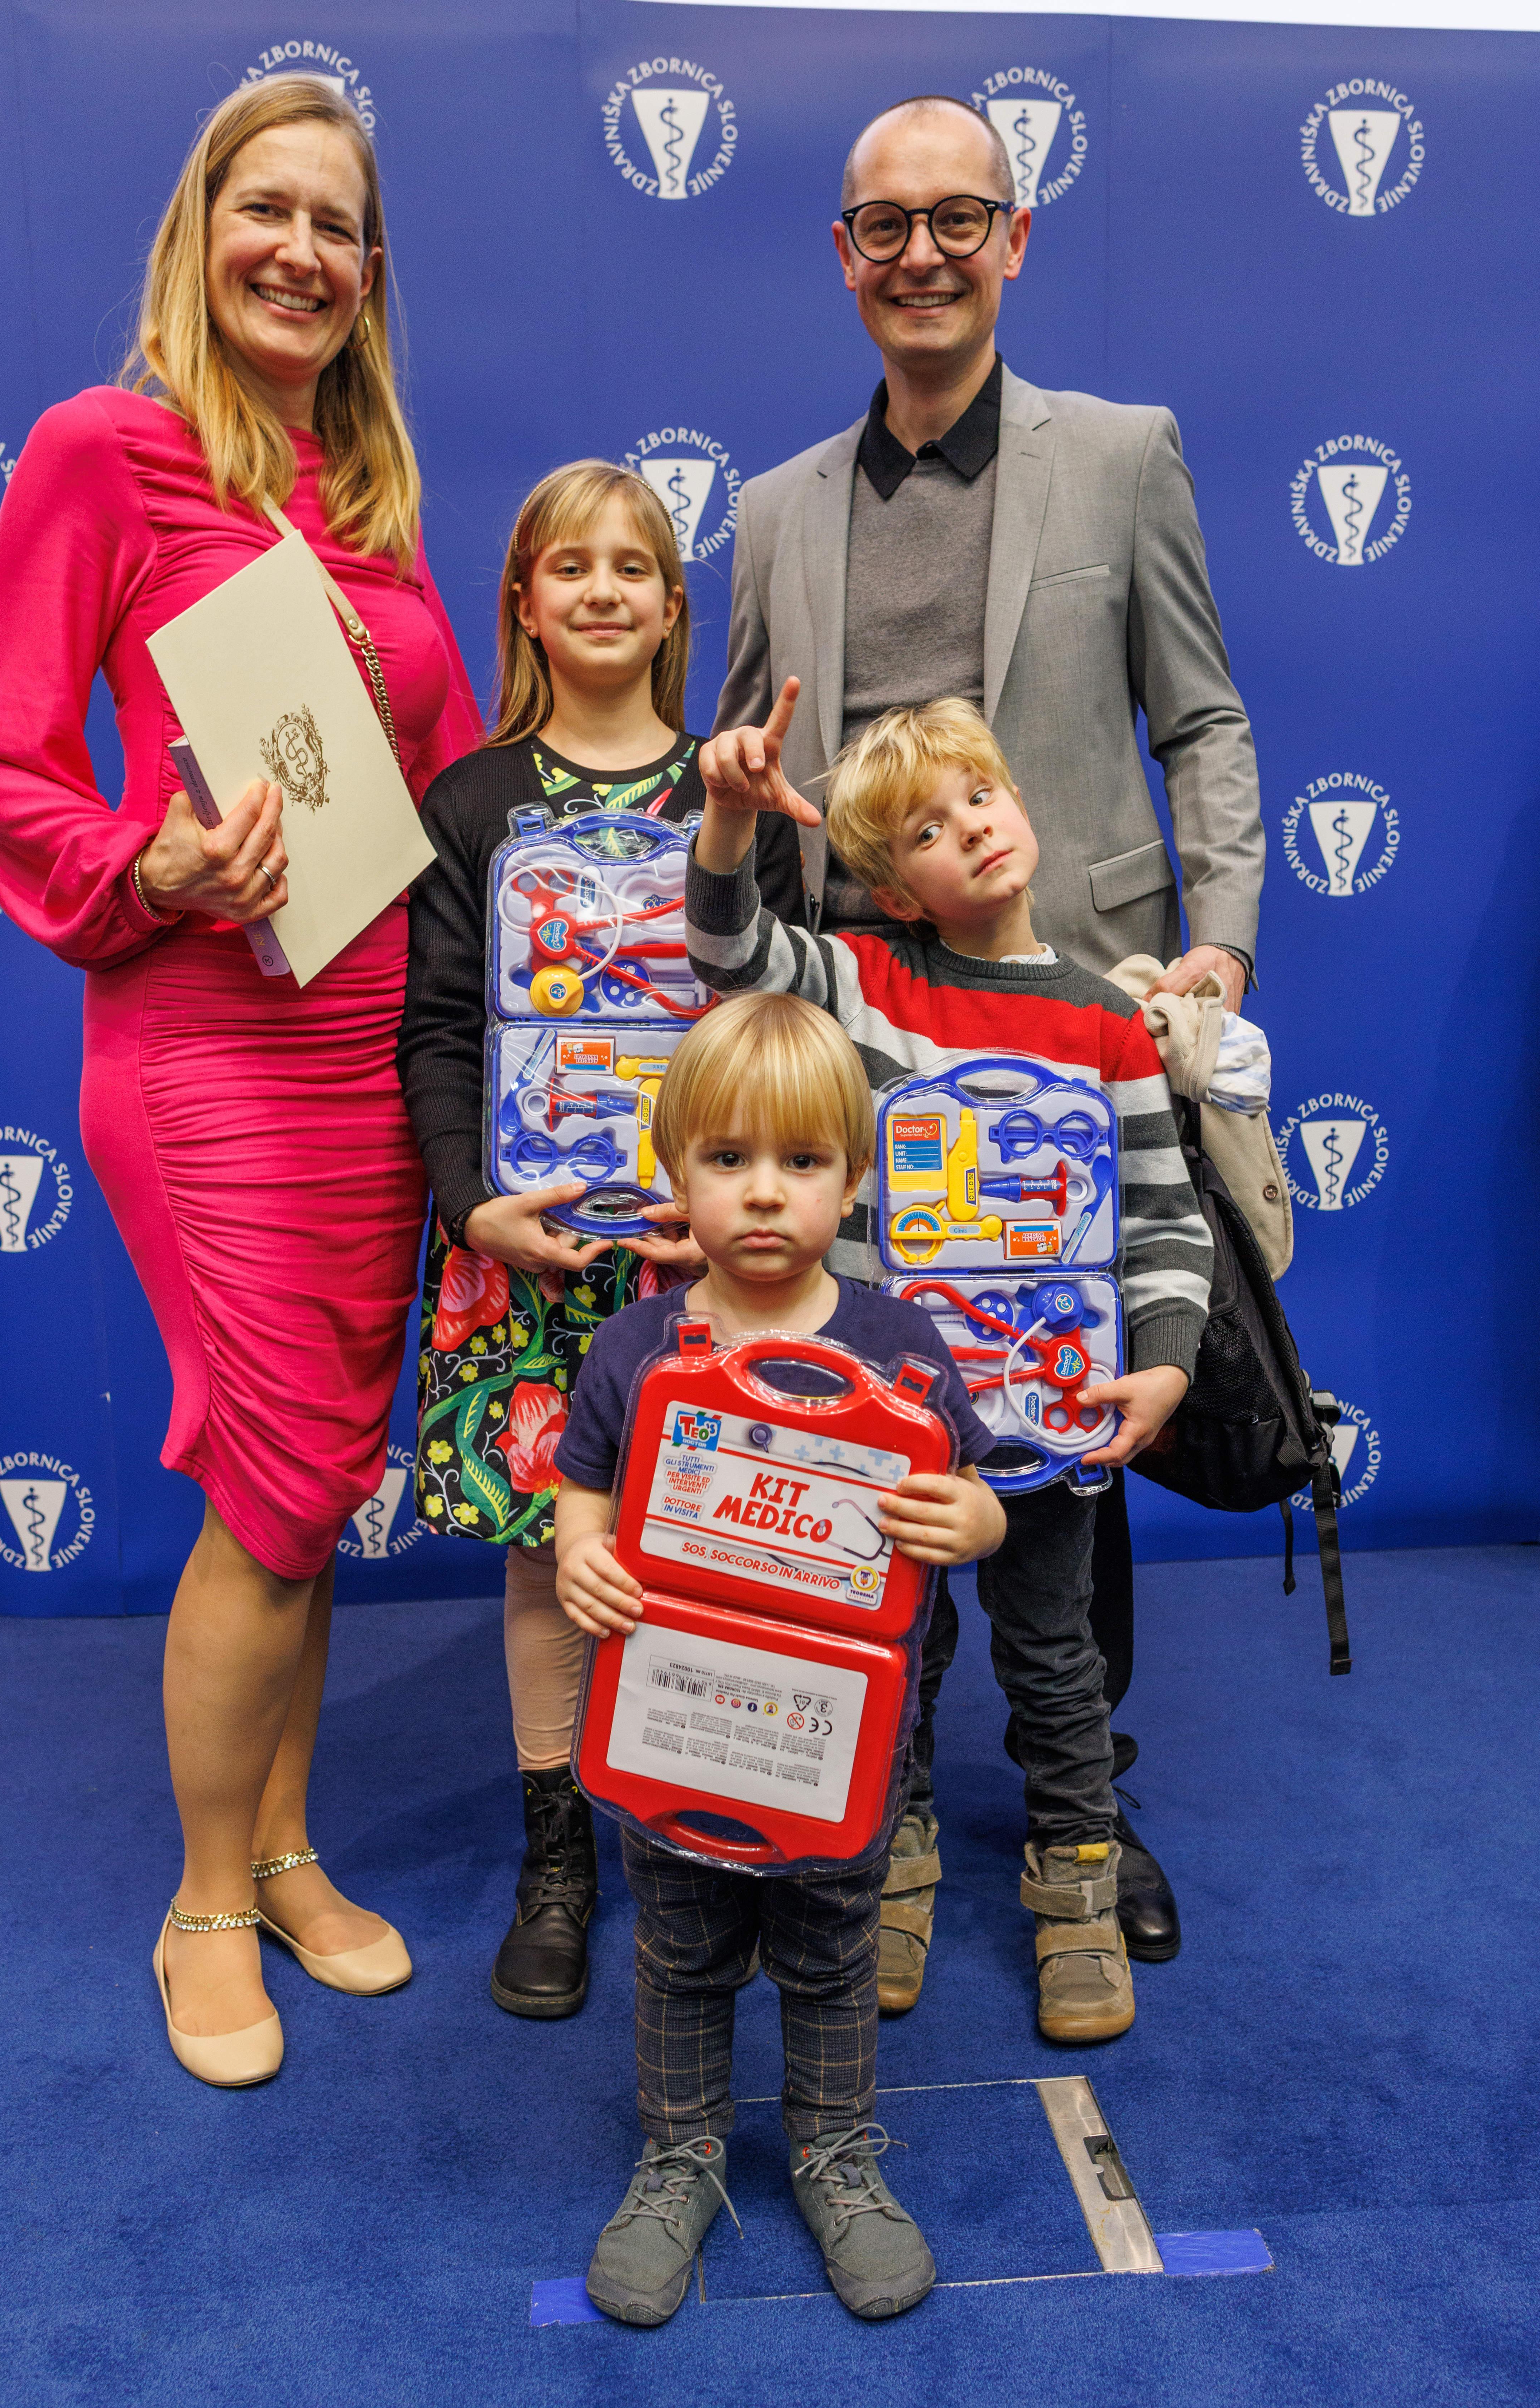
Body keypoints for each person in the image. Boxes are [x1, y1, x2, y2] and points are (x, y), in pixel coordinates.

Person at [0, 79, 481, 2086]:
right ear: (201, 229)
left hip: (371, 1050)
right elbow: (2, 760)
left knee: (317, 1476)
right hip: (206, 1052)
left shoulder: (368, 499)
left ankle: (284, 1849)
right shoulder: (105, 450)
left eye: (339, 226)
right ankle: (199, 1904)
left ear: (371, 272)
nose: (301, 254)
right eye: (270, 210)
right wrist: (148, 863)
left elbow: (432, 786)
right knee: (268, 1478)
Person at [706, 91, 1266, 1996]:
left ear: (1014, 239)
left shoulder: (1120, 454)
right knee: (867, 1425)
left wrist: (1217, 946)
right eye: (886, 225)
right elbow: (744, 778)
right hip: (851, 1046)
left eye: (960, 218)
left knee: (1060, 1423)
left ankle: (1074, 1809)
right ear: (843, 257)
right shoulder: (772, 509)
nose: (923, 254)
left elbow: (1204, 720)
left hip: (1068, 1007)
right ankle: (875, 1808)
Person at [685, 691, 1216, 2049]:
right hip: (890, 1425)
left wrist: (1161, 1366)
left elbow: (1164, 1221)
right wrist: (731, 819)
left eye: (978, 797)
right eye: (925, 829)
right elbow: (728, 951)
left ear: (1019, 802)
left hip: (1050, 1414)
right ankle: (893, 1854)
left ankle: (1077, 1881)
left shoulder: (1107, 1021)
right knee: (895, 1648)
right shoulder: (870, 982)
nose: (969, 829)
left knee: (1055, 1655)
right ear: (889, 887)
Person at [397, 462, 794, 2020]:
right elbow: (438, 1029)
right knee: (548, 1554)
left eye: (634, 566)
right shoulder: (471, 801)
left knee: (723, 1537)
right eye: (571, 567)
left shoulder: (729, 789)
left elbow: (778, 1023)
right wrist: (468, 1205)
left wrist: (741, 1207)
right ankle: (557, 1852)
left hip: (713, 1253)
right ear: (523, 603)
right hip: (531, 1250)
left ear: (676, 605)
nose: (604, 590)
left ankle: (715, 1839)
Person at [553, 990, 1005, 2326]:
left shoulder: (899, 1344)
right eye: (727, 1158)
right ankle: (681, 2155)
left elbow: (976, 1490)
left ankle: (835, 2155)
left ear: (853, 1179)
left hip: (837, 1751)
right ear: (673, 1170)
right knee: (681, 1952)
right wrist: (581, 1553)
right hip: (676, 1728)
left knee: (828, 1953)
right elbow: (584, 1483)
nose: (763, 1193)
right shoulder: (635, 1345)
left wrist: (976, 1522)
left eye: (801, 1161)